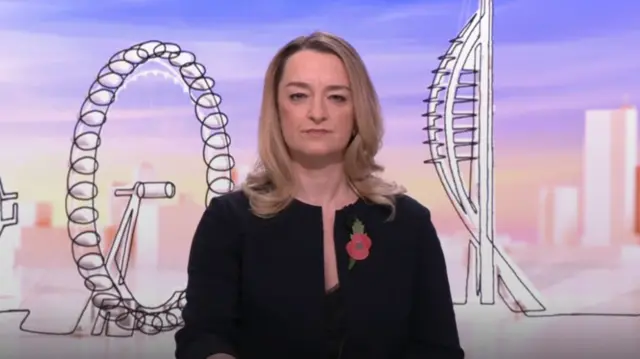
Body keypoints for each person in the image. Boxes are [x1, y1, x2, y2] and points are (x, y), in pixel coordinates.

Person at [174, 31, 465, 359]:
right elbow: (204, 338)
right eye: (299, 96)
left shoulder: (407, 223)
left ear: (358, 111)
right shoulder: (229, 220)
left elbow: (438, 349)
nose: (317, 113)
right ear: (277, 109)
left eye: (337, 97)